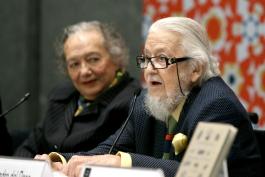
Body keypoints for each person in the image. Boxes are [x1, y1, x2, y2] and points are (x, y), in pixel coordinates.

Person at [36, 17, 264, 177]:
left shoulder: (216, 105)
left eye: (162, 59)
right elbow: (106, 151)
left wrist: (124, 162)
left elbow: (194, 173)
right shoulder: (146, 102)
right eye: (146, 58)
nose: (150, 70)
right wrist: (59, 162)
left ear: (195, 69)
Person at [14, 21, 140, 157]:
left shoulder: (132, 101)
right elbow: (28, 148)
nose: (84, 71)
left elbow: (105, 158)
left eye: (93, 59)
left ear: (116, 58)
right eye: (74, 64)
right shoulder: (61, 96)